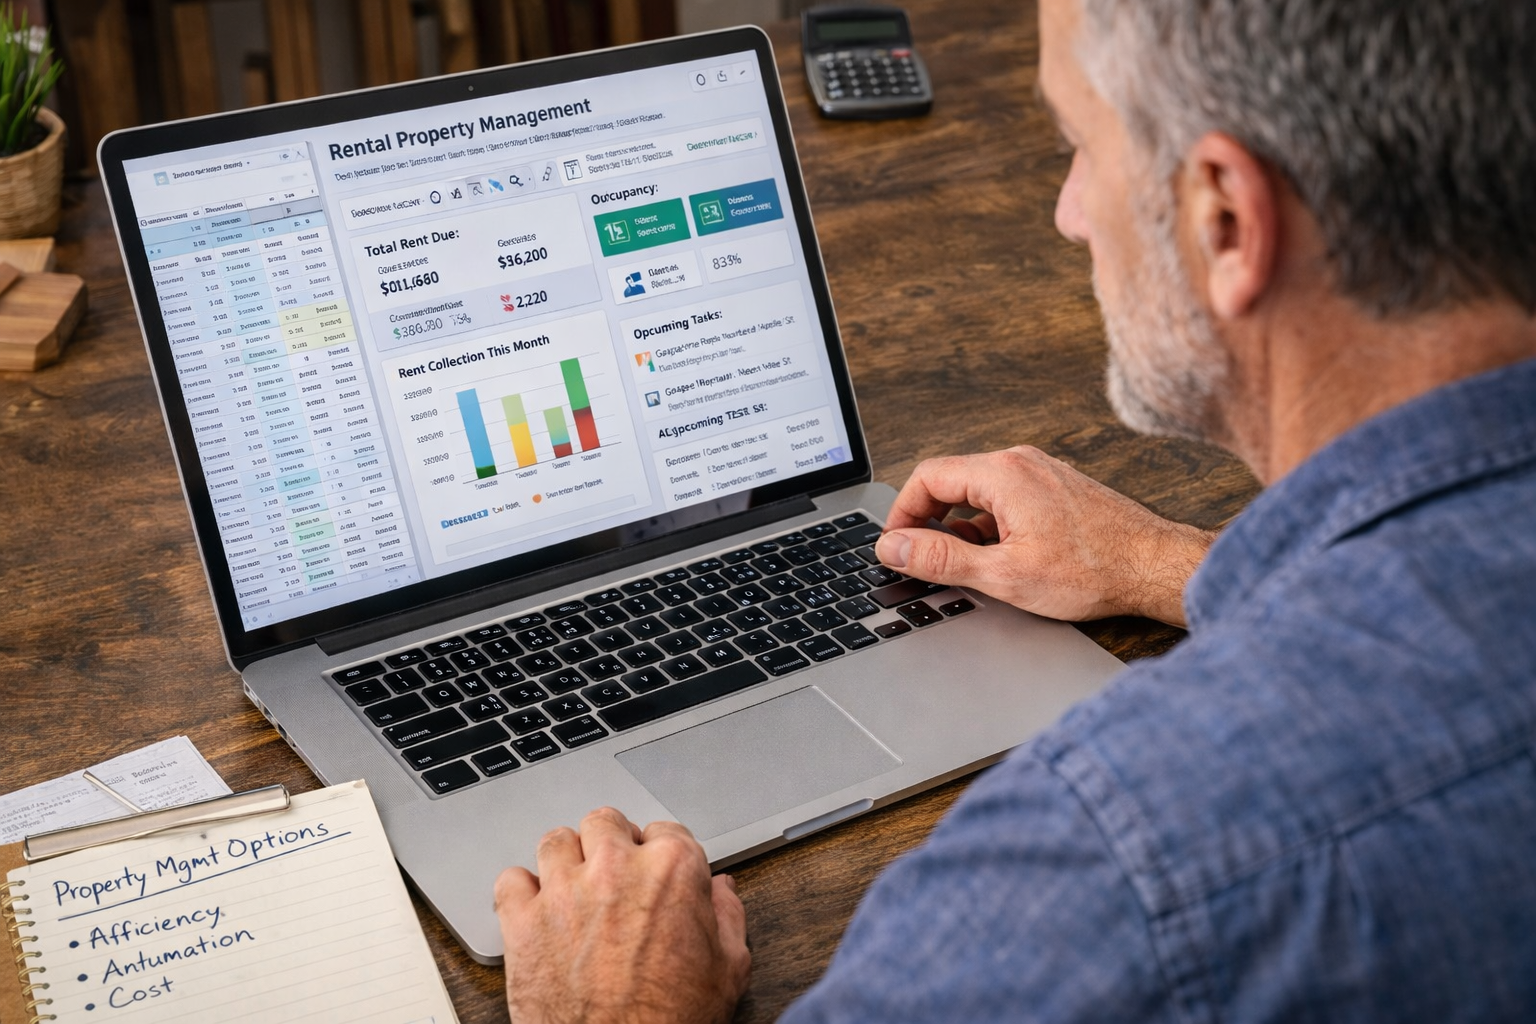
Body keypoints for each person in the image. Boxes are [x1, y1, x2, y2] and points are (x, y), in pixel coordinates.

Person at [491, 0, 1536, 1018]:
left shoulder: (1110, 861)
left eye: (1077, 145)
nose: (1068, 211)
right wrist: (1159, 561)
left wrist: (624, 1004)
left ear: (1226, 218)